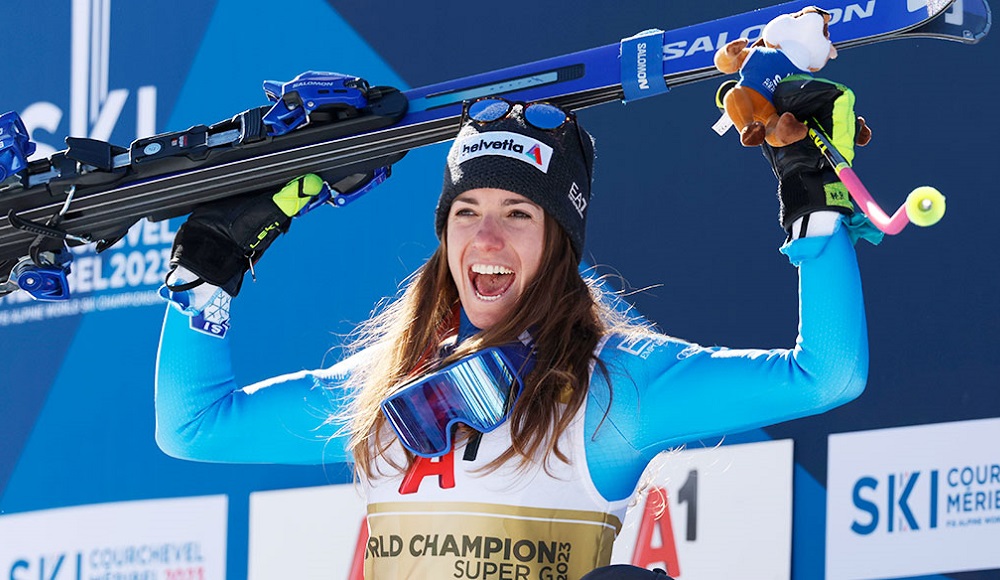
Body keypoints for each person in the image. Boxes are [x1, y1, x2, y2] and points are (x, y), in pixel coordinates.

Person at [155, 94, 874, 579]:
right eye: (466, 211)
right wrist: (210, 265)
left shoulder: (616, 385)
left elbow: (827, 374)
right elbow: (191, 428)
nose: (487, 236)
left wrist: (812, 200)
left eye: (519, 214)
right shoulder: (386, 386)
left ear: (560, 240)